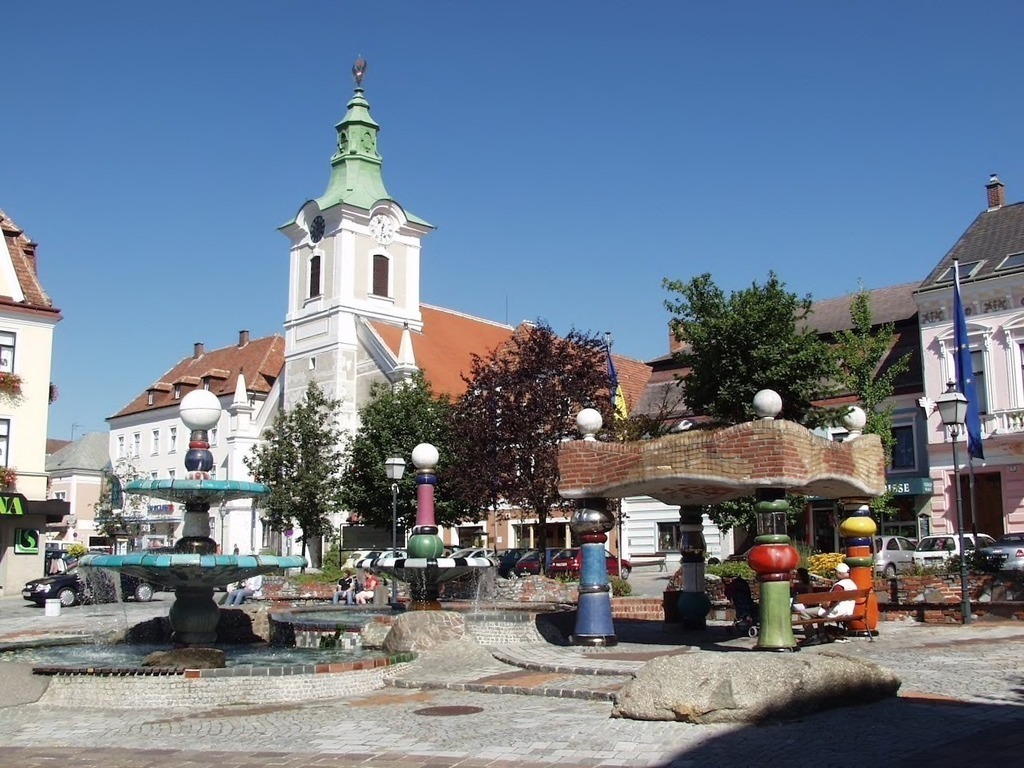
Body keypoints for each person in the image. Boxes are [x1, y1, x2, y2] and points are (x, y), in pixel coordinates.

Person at [794, 563, 858, 644]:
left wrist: (821, 604)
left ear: (840, 573)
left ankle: (812, 636)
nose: (835, 574)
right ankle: (822, 635)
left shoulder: (839, 586)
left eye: (836, 572)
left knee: (804, 612)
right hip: (847, 611)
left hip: (835, 612)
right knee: (817, 613)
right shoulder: (852, 584)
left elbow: (828, 604)